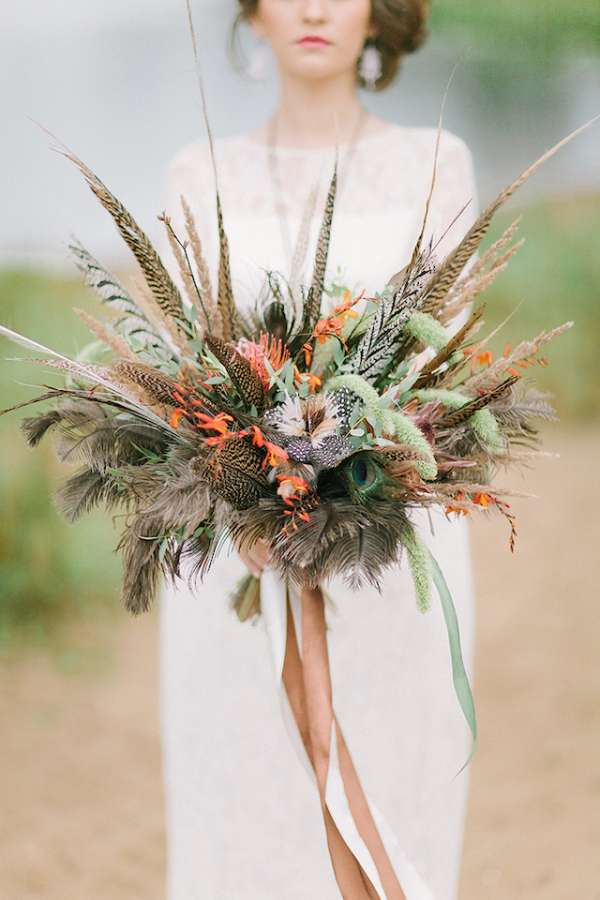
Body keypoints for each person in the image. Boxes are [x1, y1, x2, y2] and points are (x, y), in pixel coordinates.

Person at [158, 2, 479, 897]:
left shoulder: (435, 164)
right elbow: (177, 374)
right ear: (252, 15)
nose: (312, 7)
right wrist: (247, 496)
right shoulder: (198, 173)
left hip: (393, 550)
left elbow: (445, 371)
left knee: (393, 799)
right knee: (246, 799)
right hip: (239, 558)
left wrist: (353, 487)